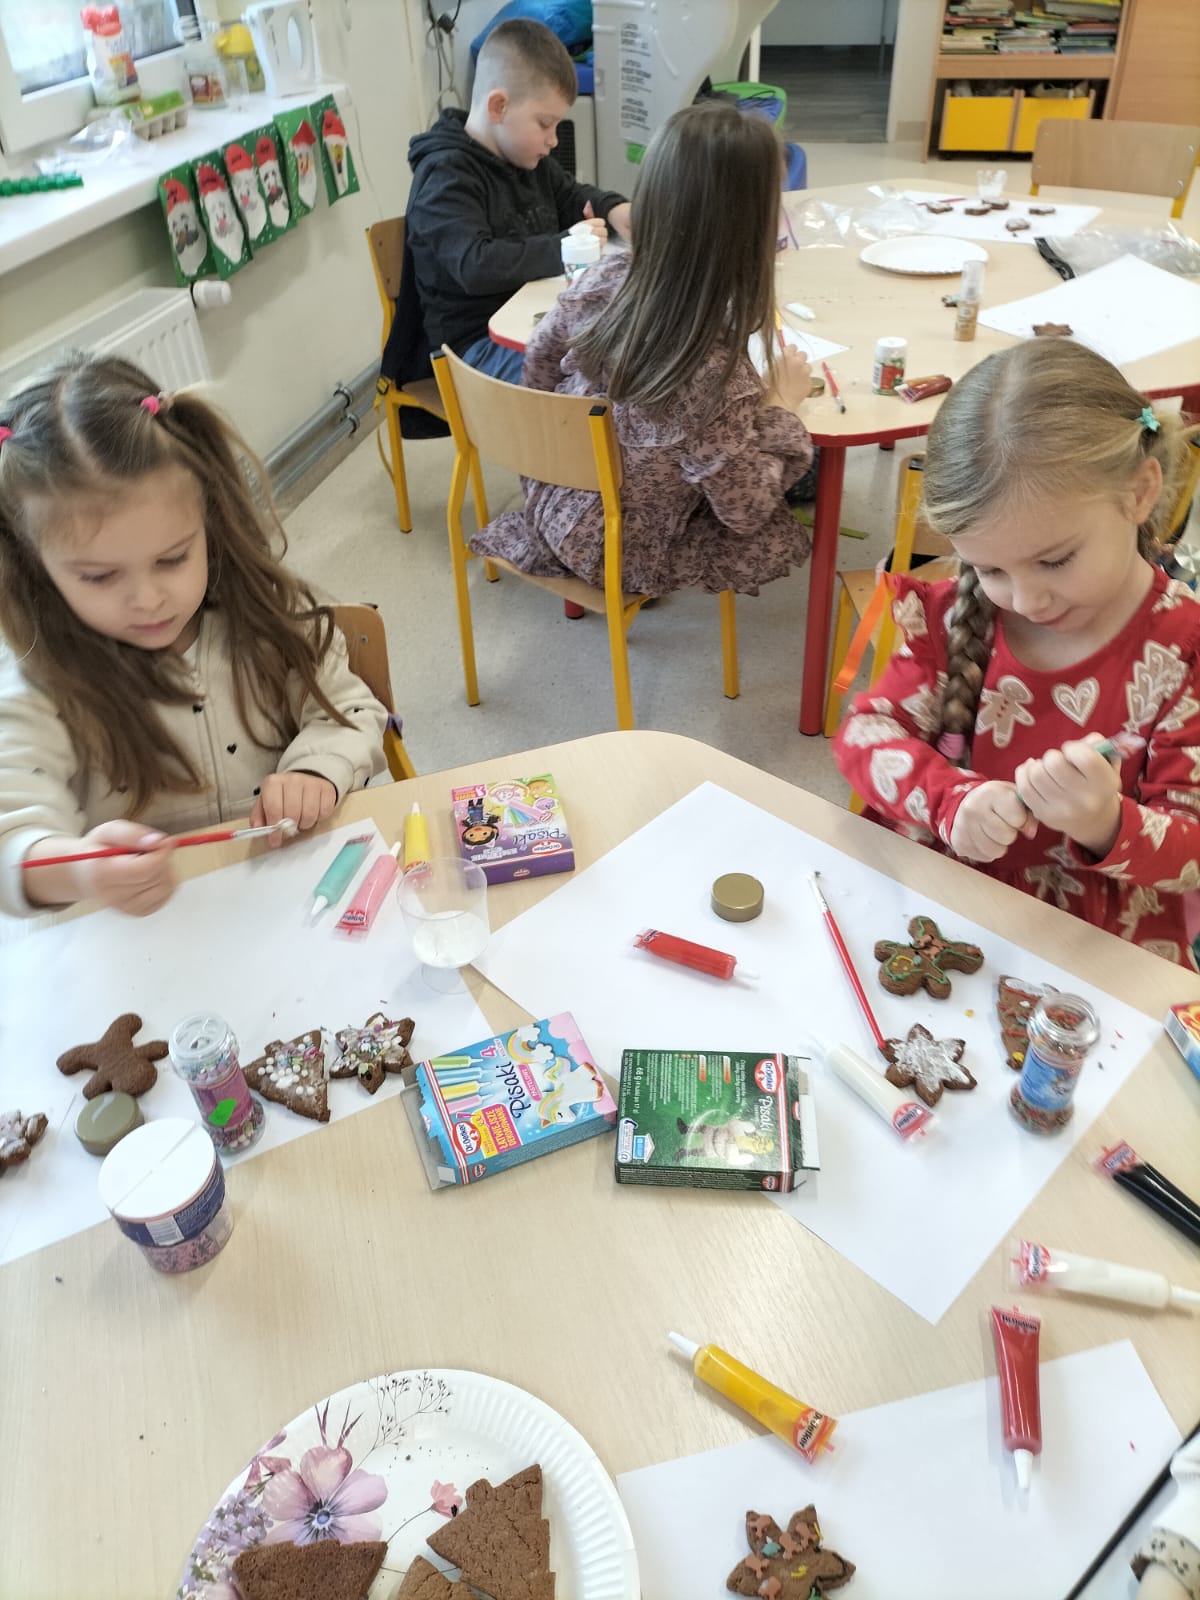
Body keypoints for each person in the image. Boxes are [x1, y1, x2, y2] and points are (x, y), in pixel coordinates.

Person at [833, 338, 1200, 970]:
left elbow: (1190, 855)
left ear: (1140, 492)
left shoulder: (1184, 651)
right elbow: (865, 735)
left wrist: (1105, 822)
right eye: (990, 569)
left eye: (1055, 560)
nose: (1026, 600)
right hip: (939, 902)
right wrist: (950, 800)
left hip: (1090, 941)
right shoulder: (952, 616)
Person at [0, 355, 389, 920]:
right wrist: (77, 869)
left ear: (210, 524)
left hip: (287, 902)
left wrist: (315, 769)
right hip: (148, 938)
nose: (147, 599)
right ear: (35, 567)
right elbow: (11, 835)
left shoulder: (268, 615)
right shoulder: (37, 683)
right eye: (99, 576)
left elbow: (351, 710)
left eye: (173, 558)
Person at [471, 101, 815, 597]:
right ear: (751, 230)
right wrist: (783, 404)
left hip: (555, 502)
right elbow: (745, 512)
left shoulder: (601, 276)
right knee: (780, 496)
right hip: (616, 547)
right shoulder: (713, 369)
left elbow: (540, 366)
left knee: (731, 457)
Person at [404, 18, 631, 384]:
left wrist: (614, 209)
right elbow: (476, 265)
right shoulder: (444, 175)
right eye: (545, 123)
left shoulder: (525, 158)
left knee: (628, 352)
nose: (553, 140)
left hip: (534, 319)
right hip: (476, 348)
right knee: (599, 382)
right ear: (499, 106)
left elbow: (571, 196)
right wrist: (565, 246)